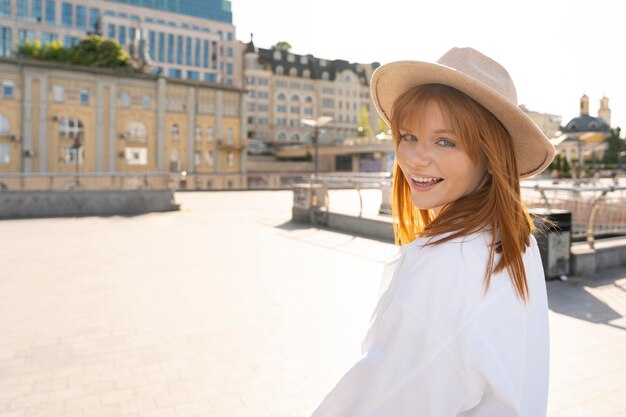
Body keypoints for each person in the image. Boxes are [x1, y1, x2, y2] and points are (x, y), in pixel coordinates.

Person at [310, 47, 555, 417]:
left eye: (445, 141)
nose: (414, 157)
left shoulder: (445, 265)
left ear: (492, 156)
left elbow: (376, 403)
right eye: (408, 135)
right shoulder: (516, 239)